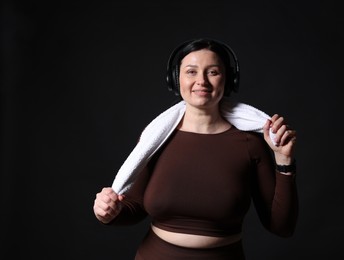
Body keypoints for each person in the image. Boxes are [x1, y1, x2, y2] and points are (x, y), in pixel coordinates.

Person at [93, 38, 298, 260]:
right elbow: (135, 207)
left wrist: (283, 160)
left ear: (228, 80)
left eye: (213, 72)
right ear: (175, 79)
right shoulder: (155, 138)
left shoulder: (252, 144)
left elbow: (281, 227)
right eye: (191, 71)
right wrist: (109, 212)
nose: (201, 81)